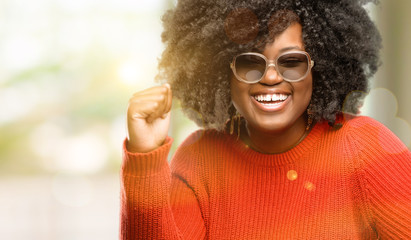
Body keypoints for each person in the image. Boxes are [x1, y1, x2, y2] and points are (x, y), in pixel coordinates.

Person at [121, 0, 411, 239]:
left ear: (318, 68)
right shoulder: (199, 159)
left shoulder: (367, 149)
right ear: (223, 71)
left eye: (292, 61)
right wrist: (144, 155)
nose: (271, 77)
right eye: (250, 62)